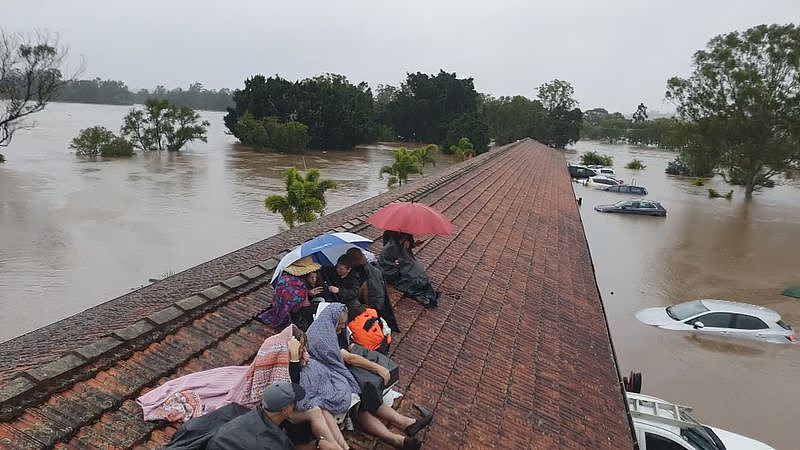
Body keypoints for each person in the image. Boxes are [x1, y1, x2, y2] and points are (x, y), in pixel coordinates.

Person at [140, 325, 347, 450]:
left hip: (270, 417)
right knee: (317, 415)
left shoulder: (239, 414)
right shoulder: (273, 441)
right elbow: (292, 390)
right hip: (278, 422)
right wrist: (293, 360)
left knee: (319, 412)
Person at [298, 304, 432, 450]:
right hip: (330, 380)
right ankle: (398, 439)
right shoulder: (321, 337)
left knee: (369, 399)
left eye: (344, 324)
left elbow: (348, 350)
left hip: (339, 375)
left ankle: (406, 424)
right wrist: (378, 368)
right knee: (361, 408)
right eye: (340, 325)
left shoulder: (333, 330)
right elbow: (348, 357)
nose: (342, 328)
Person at [205, 381, 310, 450]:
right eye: (293, 404)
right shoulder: (276, 444)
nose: (295, 407)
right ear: (284, 411)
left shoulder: (235, 413)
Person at [259, 257, 325, 330]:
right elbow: (295, 306)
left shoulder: (286, 278)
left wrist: (308, 293)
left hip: (283, 310)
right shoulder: (297, 284)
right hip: (289, 316)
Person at [378, 231, 440, 308]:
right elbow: (388, 263)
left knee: (418, 275)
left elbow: (406, 255)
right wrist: (398, 264)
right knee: (411, 279)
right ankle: (420, 293)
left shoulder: (403, 242)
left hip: (400, 266)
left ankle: (426, 291)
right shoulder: (391, 246)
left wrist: (414, 245)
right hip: (389, 271)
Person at [344, 248, 399, 332]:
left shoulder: (367, 274)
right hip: (375, 304)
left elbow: (368, 293)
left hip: (373, 306)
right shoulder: (369, 269)